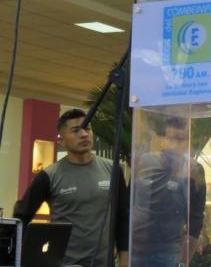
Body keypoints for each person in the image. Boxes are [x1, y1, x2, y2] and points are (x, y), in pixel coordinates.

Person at [13, 108, 129, 267]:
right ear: (61, 141)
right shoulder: (49, 176)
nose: (84, 134)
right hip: (65, 264)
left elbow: (123, 218)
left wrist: (124, 261)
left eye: (87, 128)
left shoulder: (113, 170)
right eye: (75, 130)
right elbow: (21, 217)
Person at [130, 116, 207, 267]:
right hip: (137, 248)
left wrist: (183, 261)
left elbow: (195, 220)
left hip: (169, 252)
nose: (173, 145)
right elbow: (128, 205)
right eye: (170, 138)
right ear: (162, 139)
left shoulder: (194, 170)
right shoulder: (145, 162)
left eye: (180, 139)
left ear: (188, 142)